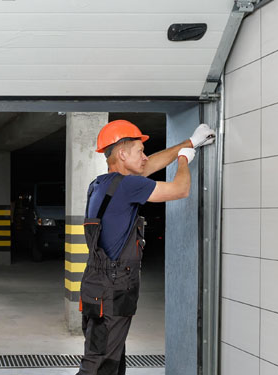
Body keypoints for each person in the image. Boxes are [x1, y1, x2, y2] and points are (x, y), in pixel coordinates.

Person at [77, 120, 215, 375]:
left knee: (111, 361)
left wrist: (190, 143)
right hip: (112, 290)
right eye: (139, 151)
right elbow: (180, 189)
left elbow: (149, 165)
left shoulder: (101, 185)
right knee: (98, 367)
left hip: (97, 286)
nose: (144, 157)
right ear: (121, 154)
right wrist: (184, 159)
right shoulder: (128, 186)